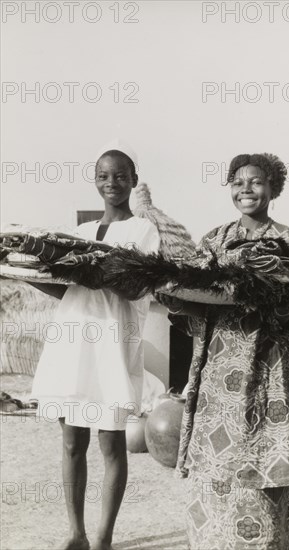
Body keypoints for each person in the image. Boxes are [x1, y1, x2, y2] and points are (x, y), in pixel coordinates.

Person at [157, 153, 289, 549]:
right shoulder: (214, 240)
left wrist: (235, 294)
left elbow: (288, 300)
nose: (246, 189)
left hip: (273, 368)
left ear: (274, 189)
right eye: (237, 182)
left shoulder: (288, 240)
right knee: (218, 471)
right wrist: (172, 295)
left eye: (256, 181)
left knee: (271, 464)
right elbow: (193, 298)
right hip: (221, 370)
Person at [30, 147, 160, 550]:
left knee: (110, 442)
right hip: (73, 343)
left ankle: (103, 536)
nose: (111, 184)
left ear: (133, 179)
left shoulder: (142, 230)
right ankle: (76, 533)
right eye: (104, 176)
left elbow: (134, 285)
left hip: (111, 344)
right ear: (95, 180)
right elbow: (66, 289)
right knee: (72, 443)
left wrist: (89, 274)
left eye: (120, 176)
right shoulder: (81, 235)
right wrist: (24, 273)